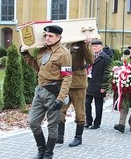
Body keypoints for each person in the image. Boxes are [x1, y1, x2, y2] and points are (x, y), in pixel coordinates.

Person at [20, 25, 72, 159]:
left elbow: (67, 77)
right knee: (33, 122)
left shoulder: (64, 53)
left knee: (52, 126)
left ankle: (48, 153)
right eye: (46, 35)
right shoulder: (42, 51)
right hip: (40, 91)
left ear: (58, 37)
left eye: (51, 36)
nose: (47, 38)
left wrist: (60, 99)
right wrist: (25, 55)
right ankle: (41, 149)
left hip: (54, 94)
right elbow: (38, 68)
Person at [56, 38, 94, 147]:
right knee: (60, 109)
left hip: (78, 83)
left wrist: (87, 45)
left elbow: (91, 60)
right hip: (65, 82)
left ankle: (78, 137)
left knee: (80, 111)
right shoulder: (66, 44)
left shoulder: (82, 45)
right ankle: (59, 136)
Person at [85, 40, 111, 129]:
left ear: (101, 47)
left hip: (99, 84)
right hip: (89, 83)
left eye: (96, 46)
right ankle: (88, 121)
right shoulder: (90, 56)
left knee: (98, 105)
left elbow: (107, 73)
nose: (94, 48)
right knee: (86, 103)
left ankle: (97, 123)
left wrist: (104, 86)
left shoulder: (105, 58)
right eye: (93, 46)